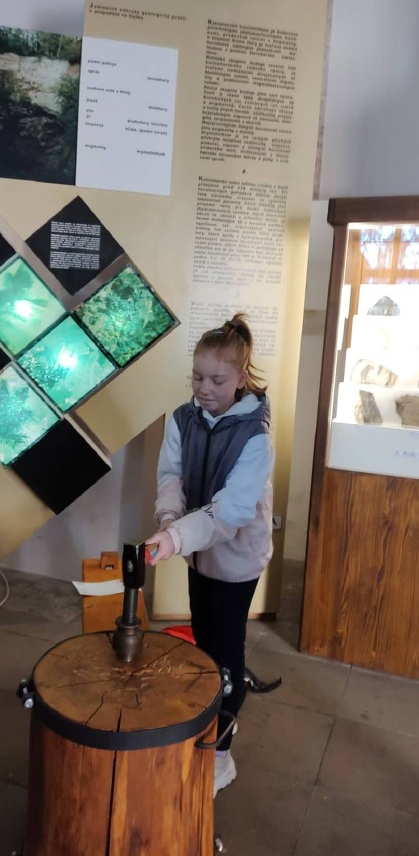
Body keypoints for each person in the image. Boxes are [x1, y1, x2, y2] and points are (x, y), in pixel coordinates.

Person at [145, 313, 274, 796]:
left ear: (241, 379)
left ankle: (221, 755)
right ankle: (203, 730)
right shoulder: (183, 419)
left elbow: (229, 513)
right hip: (198, 556)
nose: (204, 388)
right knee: (203, 642)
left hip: (237, 561)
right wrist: (167, 521)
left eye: (217, 380)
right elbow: (171, 477)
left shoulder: (255, 437)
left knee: (225, 654)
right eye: (197, 377)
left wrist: (176, 537)